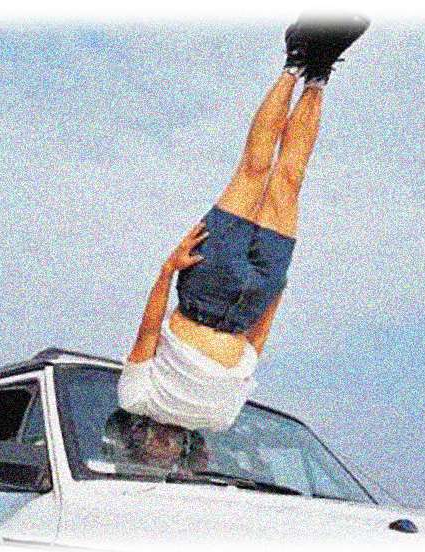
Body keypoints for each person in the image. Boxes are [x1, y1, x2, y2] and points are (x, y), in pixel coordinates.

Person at [118, 16, 370, 432]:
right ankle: (319, 72)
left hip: (204, 291)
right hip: (254, 303)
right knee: (289, 183)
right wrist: (276, 292)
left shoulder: (135, 399)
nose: (163, 449)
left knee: (254, 171)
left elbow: (147, 333)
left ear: (140, 440)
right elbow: (256, 348)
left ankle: (295, 60)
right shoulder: (220, 421)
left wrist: (168, 269)